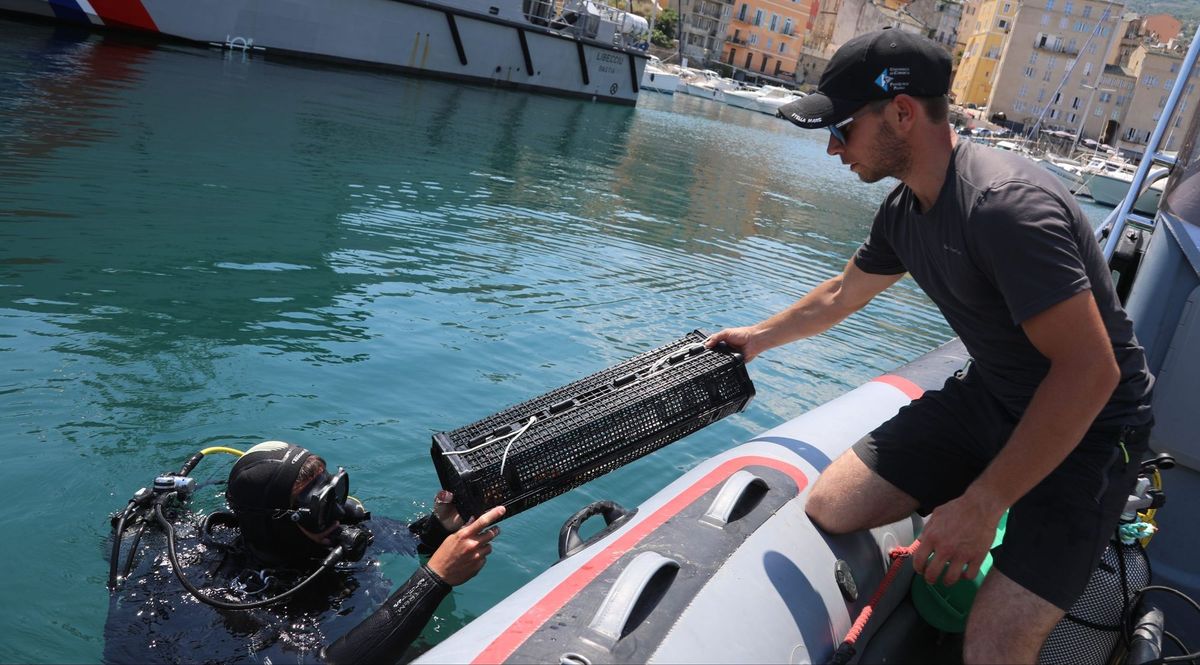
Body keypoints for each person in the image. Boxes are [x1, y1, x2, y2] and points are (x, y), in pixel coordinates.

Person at [706, 28, 1153, 663]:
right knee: (834, 505)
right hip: (993, 395)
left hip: (1090, 431)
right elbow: (841, 294)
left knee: (994, 646)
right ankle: (980, 496)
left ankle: (996, 510)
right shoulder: (904, 210)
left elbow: (1090, 373)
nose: (833, 149)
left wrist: (985, 501)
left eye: (842, 129)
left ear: (903, 112)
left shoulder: (1006, 209)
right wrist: (756, 339)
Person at [104, 441, 504, 664]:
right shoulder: (227, 598)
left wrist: (439, 528)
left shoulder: (327, 530)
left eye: (334, 491)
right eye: (320, 503)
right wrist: (432, 580)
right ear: (280, 522)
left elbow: (411, 542)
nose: (341, 512)